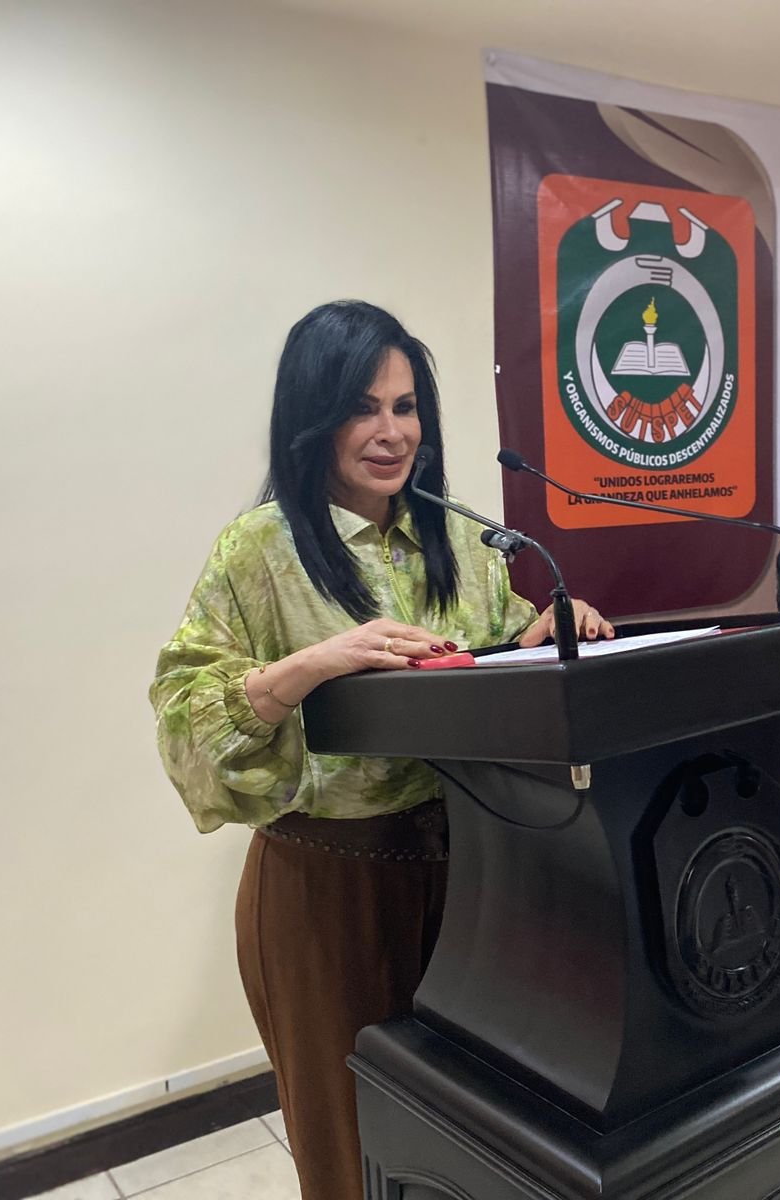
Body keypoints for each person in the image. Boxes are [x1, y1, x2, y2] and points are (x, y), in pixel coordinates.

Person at [149, 301, 612, 1200]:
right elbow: (185, 720)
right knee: (353, 1143)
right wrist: (311, 665)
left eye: (407, 408)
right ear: (313, 418)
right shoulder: (261, 549)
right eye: (363, 409)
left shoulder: (462, 539)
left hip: (475, 876)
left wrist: (545, 633)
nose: (391, 433)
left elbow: (496, 657)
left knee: (474, 1128)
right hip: (330, 886)